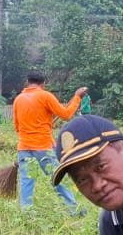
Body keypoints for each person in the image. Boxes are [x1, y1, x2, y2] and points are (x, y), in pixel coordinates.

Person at [11, 72, 86, 212]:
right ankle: (74, 209)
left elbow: (16, 126)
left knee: (26, 181)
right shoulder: (45, 96)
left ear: (27, 81)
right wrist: (77, 97)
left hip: (24, 147)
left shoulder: (18, 99)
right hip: (43, 147)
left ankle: (26, 212)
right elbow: (66, 115)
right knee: (57, 177)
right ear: (43, 83)